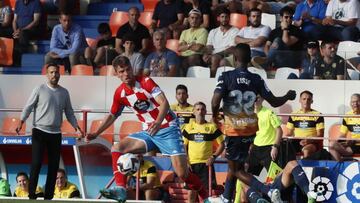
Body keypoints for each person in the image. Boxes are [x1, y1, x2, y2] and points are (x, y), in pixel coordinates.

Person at [85, 56, 210, 202]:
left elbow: (164, 103)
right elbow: (112, 115)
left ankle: (206, 197)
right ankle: (121, 189)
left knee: (182, 173)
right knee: (117, 148)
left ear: (132, 69)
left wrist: (157, 122)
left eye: (128, 70)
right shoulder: (120, 93)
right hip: (149, 132)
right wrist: (95, 133)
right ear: (117, 74)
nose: (126, 74)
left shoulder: (145, 82)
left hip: (167, 128)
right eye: (122, 71)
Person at [210, 43, 296, 203]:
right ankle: (226, 197)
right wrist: (287, 95)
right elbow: (275, 102)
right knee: (234, 165)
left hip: (234, 130)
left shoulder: (226, 76)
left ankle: (268, 191)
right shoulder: (256, 79)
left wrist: (215, 117)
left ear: (234, 59)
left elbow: (215, 101)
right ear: (250, 59)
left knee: (236, 170)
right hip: (249, 131)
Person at [15, 63, 83, 200]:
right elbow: (28, 107)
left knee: (53, 166)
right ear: (47, 75)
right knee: (37, 163)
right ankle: (32, 195)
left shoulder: (64, 92)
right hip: (39, 131)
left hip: (56, 133)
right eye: (51, 72)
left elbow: (69, 112)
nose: (54, 75)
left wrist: (77, 128)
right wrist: (21, 121)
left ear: (59, 74)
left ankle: (48, 197)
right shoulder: (39, 89)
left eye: (56, 72)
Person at [182, 101, 225, 202]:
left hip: (206, 165)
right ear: (193, 112)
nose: (200, 111)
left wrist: (213, 157)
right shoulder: (188, 127)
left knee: (205, 195)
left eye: (202, 109)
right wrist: (186, 161)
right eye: (197, 109)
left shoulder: (212, 127)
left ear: (205, 112)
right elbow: (183, 145)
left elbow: (222, 144)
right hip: (191, 165)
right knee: (191, 194)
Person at [237, 160, 316, 203]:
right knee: (244, 184)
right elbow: (243, 200)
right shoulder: (240, 180)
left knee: (291, 164)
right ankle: (259, 200)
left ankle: (310, 194)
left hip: (273, 190)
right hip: (263, 195)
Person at [247, 95, 283, 177]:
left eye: (258, 98)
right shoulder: (248, 114)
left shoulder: (269, 112)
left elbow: (279, 130)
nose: (255, 100)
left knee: (273, 177)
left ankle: (274, 189)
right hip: (255, 148)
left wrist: (275, 147)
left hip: (269, 149)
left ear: (263, 99)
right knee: (248, 175)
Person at [286, 90, 325, 159]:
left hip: (312, 142)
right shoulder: (293, 114)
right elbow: (289, 133)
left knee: (306, 151)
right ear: (300, 100)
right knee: (284, 148)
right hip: (296, 141)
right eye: (304, 99)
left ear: (312, 101)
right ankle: (289, 168)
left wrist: (309, 140)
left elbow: (320, 135)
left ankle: (304, 169)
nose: (306, 101)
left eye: (309, 99)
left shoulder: (318, 115)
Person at [203, 8, 238, 77]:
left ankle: (212, 79)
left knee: (219, 61)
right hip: (214, 56)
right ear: (218, 18)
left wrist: (216, 54)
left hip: (228, 56)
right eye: (222, 17)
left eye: (226, 17)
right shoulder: (213, 31)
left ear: (229, 18)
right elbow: (209, 46)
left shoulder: (235, 30)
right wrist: (207, 53)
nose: (224, 19)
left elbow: (232, 49)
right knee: (211, 58)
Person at [329, 93, 360, 161]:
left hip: (356, 144)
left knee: (343, 151)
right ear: (350, 103)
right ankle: (341, 165)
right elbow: (343, 134)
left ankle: (346, 162)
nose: (355, 104)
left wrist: (354, 140)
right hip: (353, 144)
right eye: (353, 102)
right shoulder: (347, 115)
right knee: (331, 145)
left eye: (357, 101)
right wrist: (339, 142)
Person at [178, 8, 208, 76]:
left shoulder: (203, 31)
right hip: (183, 56)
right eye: (192, 18)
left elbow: (198, 48)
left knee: (192, 58)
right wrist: (191, 45)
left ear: (200, 20)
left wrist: (186, 45)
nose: (194, 20)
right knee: (175, 59)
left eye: (197, 18)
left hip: (196, 56)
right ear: (188, 19)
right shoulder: (184, 32)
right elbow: (179, 48)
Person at [12, 0, 41, 66]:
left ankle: (20, 60)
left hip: (32, 30)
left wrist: (21, 30)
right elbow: (14, 20)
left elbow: (36, 21)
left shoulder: (36, 2)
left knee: (23, 34)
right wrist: (15, 31)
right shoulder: (18, 2)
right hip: (18, 30)